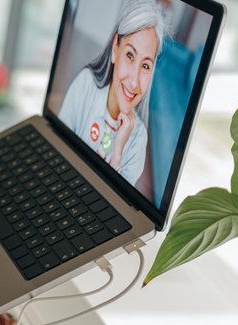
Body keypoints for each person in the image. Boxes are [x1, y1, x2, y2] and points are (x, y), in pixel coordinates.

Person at [59, 0, 169, 192]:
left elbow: (117, 203)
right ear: (115, 50)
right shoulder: (85, 85)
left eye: (145, 66)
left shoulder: (138, 138)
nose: (134, 82)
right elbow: (57, 146)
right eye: (129, 55)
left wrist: (117, 152)